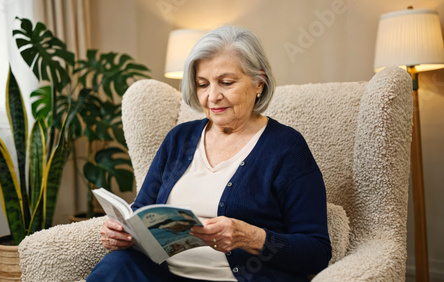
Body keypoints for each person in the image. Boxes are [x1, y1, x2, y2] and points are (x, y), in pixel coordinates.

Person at [87, 25, 331, 282]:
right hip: (165, 275)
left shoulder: (287, 148)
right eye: (202, 84)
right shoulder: (178, 139)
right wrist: (121, 232)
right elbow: (141, 211)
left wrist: (249, 237)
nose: (212, 96)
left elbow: (316, 251)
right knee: (118, 263)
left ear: (259, 82)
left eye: (226, 82)